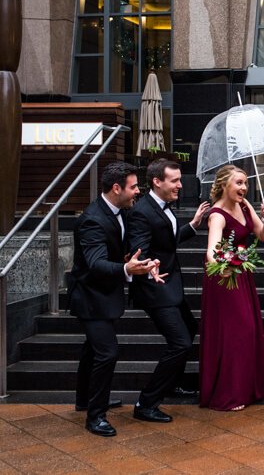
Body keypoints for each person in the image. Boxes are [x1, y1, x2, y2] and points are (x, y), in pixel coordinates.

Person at [69, 162, 158, 437]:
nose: (138, 191)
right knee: (107, 353)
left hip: (104, 294)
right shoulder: (92, 220)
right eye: (134, 187)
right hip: (90, 297)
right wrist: (126, 269)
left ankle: (85, 400)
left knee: (92, 349)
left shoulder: (120, 211)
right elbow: (96, 264)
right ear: (116, 188)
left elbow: (114, 251)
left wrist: (137, 263)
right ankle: (96, 417)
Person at [128, 159, 209, 423]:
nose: (180, 185)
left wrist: (193, 225)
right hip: (156, 286)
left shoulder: (162, 206)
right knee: (180, 342)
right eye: (174, 180)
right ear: (157, 182)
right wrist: (149, 265)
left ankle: (172, 384)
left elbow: (167, 241)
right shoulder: (141, 212)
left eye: (179, 180)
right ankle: (145, 403)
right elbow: (140, 247)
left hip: (171, 284)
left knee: (190, 328)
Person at [199, 165, 264, 411]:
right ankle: (228, 394)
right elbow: (211, 251)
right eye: (239, 183)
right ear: (224, 185)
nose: (244, 188)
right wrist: (223, 265)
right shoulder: (217, 215)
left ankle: (246, 389)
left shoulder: (245, 206)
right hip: (224, 277)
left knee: (248, 330)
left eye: (246, 183)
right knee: (235, 332)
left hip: (242, 276)